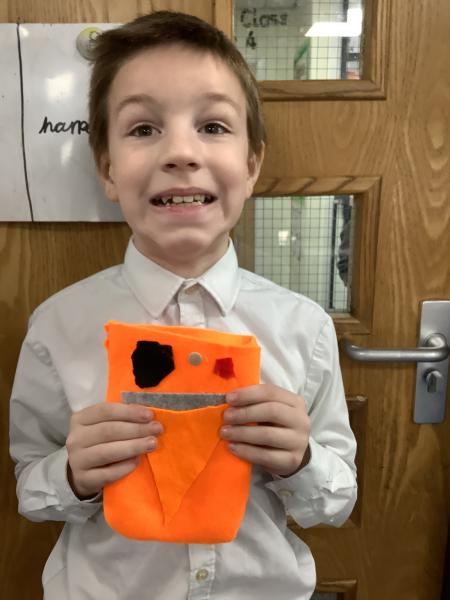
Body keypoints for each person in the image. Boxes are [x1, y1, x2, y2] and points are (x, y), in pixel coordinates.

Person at [9, 11, 357, 600]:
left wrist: (301, 460)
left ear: (251, 166)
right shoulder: (58, 327)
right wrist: (70, 474)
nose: (180, 152)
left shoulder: (305, 328)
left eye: (213, 126)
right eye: (144, 128)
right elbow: (30, 488)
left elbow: (338, 501)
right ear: (108, 170)